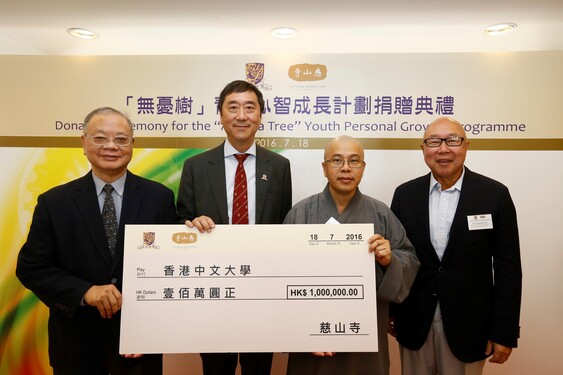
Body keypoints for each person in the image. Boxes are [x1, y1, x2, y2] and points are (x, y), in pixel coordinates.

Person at [16, 107, 178, 375]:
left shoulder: (158, 197)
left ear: (132, 144)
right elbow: (32, 268)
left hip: (138, 347)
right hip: (76, 346)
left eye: (121, 139)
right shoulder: (53, 202)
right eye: (100, 138)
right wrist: (85, 291)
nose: (111, 146)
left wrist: (150, 332)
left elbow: (168, 268)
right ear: (83, 143)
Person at [390, 117, 522, 375]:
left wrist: (504, 331)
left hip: (471, 326)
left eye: (452, 140)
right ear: (423, 149)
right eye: (433, 141)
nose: (443, 149)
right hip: (414, 322)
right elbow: (398, 257)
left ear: (466, 146)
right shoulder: (404, 195)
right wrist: (391, 313)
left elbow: (508, 269)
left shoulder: (494, 195)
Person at [177, 80, 292, 375]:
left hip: (262, 291)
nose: (242, 115)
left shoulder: (279, 167)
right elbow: (179, 222)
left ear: (260, 116)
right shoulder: (196, 166)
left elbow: (283, 227)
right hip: (214, 287)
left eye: (250, 108)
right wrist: (191, 225)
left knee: (258, 367)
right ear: (220, 115)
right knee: (217, 368)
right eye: (233, 107)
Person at [283, 135, 420, 375]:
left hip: (365, 339)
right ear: (324, 168)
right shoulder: (300, 213)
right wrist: (302, 333)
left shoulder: (381, 214)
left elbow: (409, 258)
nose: (345, 167)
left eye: (354, 160)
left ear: (363, 168)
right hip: (313, 340)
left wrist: (390, 261)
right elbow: (280, 278)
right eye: (336, 160)